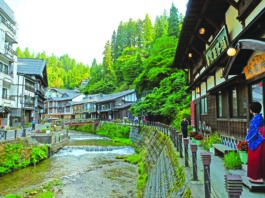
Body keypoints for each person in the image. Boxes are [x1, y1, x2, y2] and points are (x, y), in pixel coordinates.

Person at [246, 102, 265, 183]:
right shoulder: (260, 117)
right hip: (262, 138)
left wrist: (247, 138)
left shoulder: (255, 119)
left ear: (251, 110)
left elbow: (253, 131)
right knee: (260, 158)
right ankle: (261, 176)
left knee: (255, 158)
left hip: (257, 139)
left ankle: (256, 178)